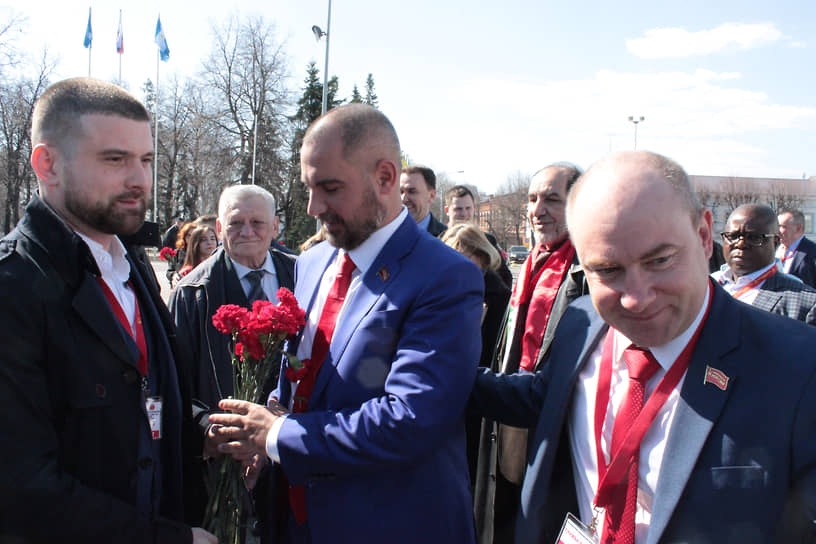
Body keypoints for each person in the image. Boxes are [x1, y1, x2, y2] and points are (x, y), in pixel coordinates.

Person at [473, 151, 816, 543]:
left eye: (660, 261)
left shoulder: (798, 367)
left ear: (705, 236)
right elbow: (543, 397)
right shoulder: (580, 325)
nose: (635, 298)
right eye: (607, 270)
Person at [208, 103, 484, 544]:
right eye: (308, 187)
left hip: (387, 524)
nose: (315, 206)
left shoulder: (447, 277)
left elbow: (409, 418)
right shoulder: (312, 262)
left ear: (386, 178)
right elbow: (301, 375)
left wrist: (278, 434)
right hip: (297, 520)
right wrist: (270, 419)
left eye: (331, 188)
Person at [0, 77, 216, 543]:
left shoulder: (130, 261)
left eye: (146, 160)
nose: (140, 180)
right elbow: (23, 488)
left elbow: (145, 397)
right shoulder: (13, 285)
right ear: (48, 164)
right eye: (115, 159)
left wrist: (208, 430)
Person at [472, 163, 589, 544]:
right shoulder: (529, 263)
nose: (538, 209)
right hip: (509, 419)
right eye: (533, 199)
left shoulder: (588, 270)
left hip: (554, 428)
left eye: (552, 200)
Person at [171, 184, 296, 413]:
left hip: (291, 435)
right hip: (227, 436)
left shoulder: (303, 274)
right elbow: (177, 379)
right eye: (235, 223)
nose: (247, 232)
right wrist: (205, 427)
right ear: (219, 228)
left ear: (275, 226)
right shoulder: (192, 293)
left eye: (257, 222)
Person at [440, 223, 511, 483]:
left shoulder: (497, 295)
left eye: (464, 255)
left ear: (481, 256)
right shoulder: (442, 290)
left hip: (478, 394)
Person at [713, 204, 816, 325]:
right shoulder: (706, 286)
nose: (740, 244)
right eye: (733, 236)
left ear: (775, 242)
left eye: (753, 237)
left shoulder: (806, 305)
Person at [444, 184, 513, 287]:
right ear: (447, 211)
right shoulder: (436, 239)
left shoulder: (487, 240)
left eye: (468, 208)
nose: (464, 214)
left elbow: (505, 279)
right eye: (458, 209)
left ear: (474, 209)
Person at [400, 165, 447, 236]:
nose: (403, 199)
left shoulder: (447, 239)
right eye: (400, 192)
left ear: (431, 196)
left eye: (412, 192)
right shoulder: (383, 235)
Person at [777, 208, 816, 288]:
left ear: (798, 228)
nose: (778, 231)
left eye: (782, 226)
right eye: (777, 226)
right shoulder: (773, 250)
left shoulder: (812, 252)